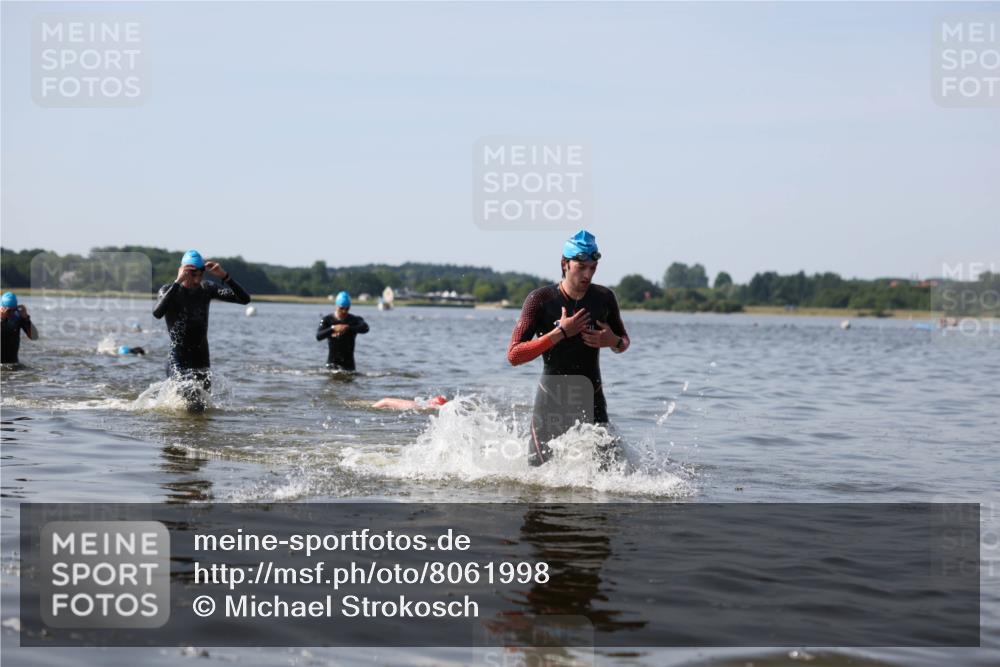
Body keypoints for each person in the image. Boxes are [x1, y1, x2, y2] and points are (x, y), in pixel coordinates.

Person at [507, 230, 630, 466]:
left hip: (592, 396)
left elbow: (623, 342)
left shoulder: (604, 298)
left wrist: (612, 341)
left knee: (609, 471)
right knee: (538, 473)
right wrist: (560, 333)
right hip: (550, 400)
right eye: (581, 267)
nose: (588, 274)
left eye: (593, 268)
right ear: (565, 264)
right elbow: (514, 355)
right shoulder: (540, 300)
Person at [152, 250, 251, 411]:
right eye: (193, 275)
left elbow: (244, 299)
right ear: (183, 271)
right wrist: (178, 282)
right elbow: (157, 313)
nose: (197, 280)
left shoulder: (207, 288)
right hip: (178, 358)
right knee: (191, 400)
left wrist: (225, 276)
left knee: (202, 406)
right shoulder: (168, 290)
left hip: (201, 357)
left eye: (200, 274)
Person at [316, 291, 369, 371]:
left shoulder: (354, 320)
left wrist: (348, 328)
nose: (344, 311)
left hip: (349, 366)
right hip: (332, 365)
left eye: (347, 308)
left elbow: (366, 328)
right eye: (341, 308)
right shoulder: (327, 320)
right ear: (336, 306)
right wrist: (333, 329)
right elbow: (318, 336)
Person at [1, 292, 39, 365]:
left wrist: (26, 318)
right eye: (8, 311)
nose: (11, 313)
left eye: (14, 310)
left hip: (13, 363)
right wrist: (2, 320)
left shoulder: (17, 318)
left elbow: (34, 337)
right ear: (2, 308)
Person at [372, 395, 448, 411]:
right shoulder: (424, 405)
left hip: (411, 406)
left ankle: (373, 407)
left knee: (385, 401)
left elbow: (386, 401)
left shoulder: (426, 406)